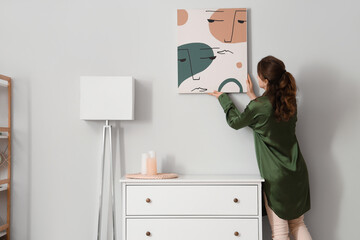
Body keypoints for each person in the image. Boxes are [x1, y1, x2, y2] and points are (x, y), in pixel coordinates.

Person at [208, 56, 312, 240]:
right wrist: (252, 97)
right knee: (298, 224)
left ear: (264, 80)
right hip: (297, 172)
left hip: (276, 177)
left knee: (280, 232)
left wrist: (224, 99)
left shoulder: (259, 107)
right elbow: (267, 120)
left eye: (258, 76)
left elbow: (236, 122)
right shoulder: (290, 102)